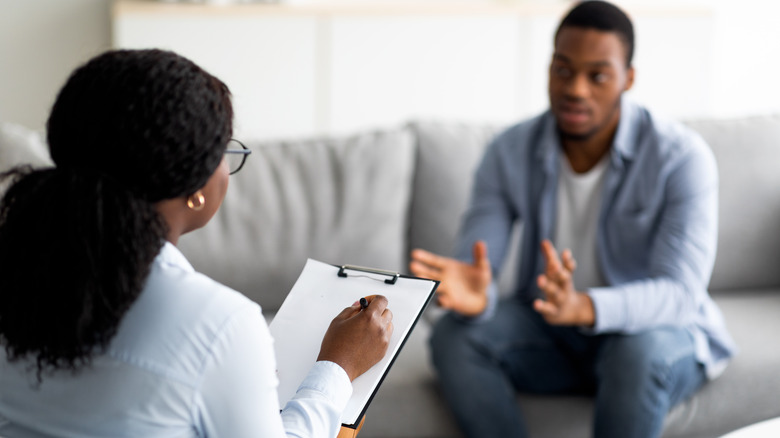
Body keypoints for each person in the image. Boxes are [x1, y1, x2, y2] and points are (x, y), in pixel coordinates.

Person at [0, 49, 393, 437]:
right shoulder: (217, 324)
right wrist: (338, 368)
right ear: (196, 188)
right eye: (224, 150)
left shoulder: (17, 280)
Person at [409, 2, 736, 438]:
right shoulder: (509, 151)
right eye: (563, 70)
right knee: (454, 336)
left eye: (597, 75)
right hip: (553, 330)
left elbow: (679, 295)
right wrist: (477, 294)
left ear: (628, 78)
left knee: (634, 353)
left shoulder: (681, 158)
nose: (576, 89)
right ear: (548, 69)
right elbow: (476, 264)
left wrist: (583, 306)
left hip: (651, 335)